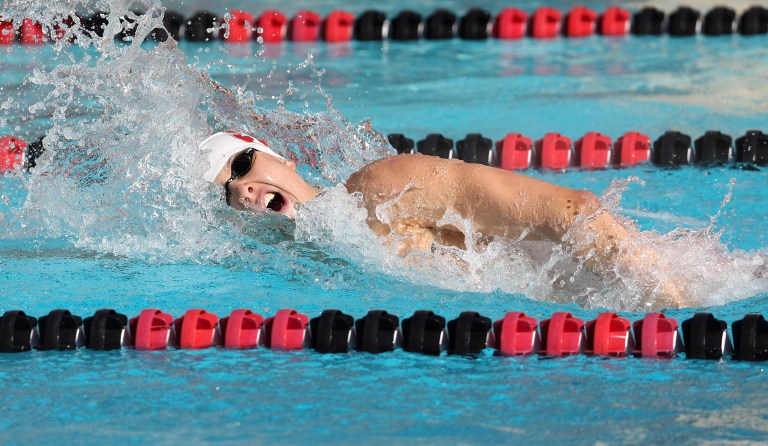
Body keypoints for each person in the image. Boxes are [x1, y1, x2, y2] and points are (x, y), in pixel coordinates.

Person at [202, 131, 690, 309]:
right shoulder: (301, 270)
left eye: (242, 165)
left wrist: (676, 309)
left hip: (650, 294)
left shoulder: (383, 189)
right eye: (227, 190)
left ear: (279, 156)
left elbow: (571, 212)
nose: (241, 188)